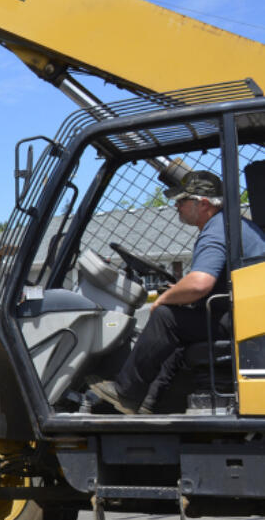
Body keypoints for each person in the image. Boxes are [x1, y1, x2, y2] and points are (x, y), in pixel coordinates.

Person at [90, 171, 265, 414]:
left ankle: (126, 392)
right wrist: (177, 292)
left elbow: (199, 284)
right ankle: (149, 402)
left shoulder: (217, 229)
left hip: (245, 323)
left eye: (182, 201)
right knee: (179, 328)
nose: (176, 206)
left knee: (165, 317)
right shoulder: (230, 224)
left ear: (203, 203)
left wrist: (163, 298)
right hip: (247, 317)